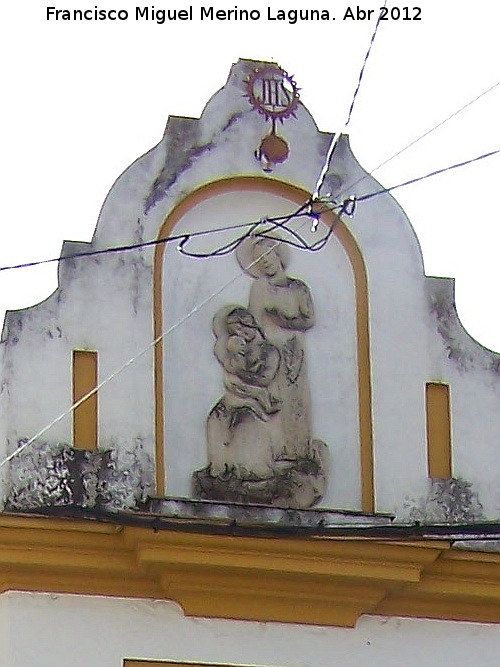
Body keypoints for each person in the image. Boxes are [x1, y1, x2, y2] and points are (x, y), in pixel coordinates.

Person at [236, 235, 315, 459]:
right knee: (274, 401)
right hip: (270, 354)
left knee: (296, 401)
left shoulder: (298, 288)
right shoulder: (259, 288)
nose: (264, 262)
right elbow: (254, 323)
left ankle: (299, 450)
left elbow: (308, 319)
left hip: (294, 352)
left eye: (266, 256)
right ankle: (275, 452)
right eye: (258, 259)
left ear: (277, 254)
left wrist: (284, 321)